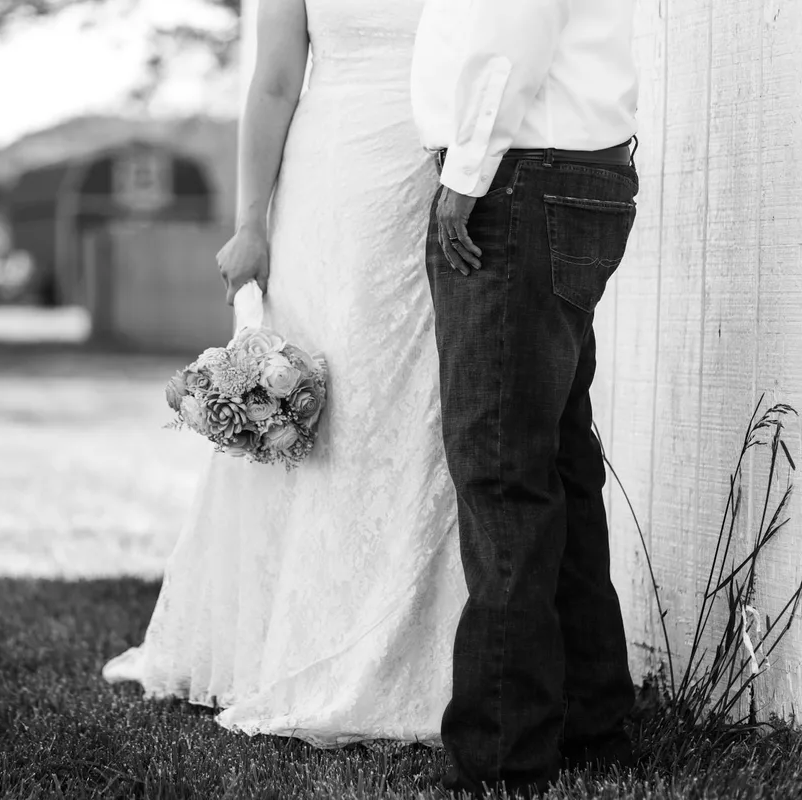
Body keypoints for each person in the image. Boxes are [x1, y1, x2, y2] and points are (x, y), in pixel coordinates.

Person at [103, 0, 465, 745]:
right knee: (328, 397)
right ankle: (290, 645)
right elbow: (273, 82)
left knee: (414, 399)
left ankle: (424, 648)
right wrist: (250, 222)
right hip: (330, 180)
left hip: (434, 171)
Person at [414, 1, 640, 795]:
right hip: (566, 172)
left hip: (518, 176)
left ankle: (502, 757)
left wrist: (464, 173)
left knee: (502, 471)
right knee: (558, 460)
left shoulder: (490, 171)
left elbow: (508, 29)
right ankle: (592, 718)